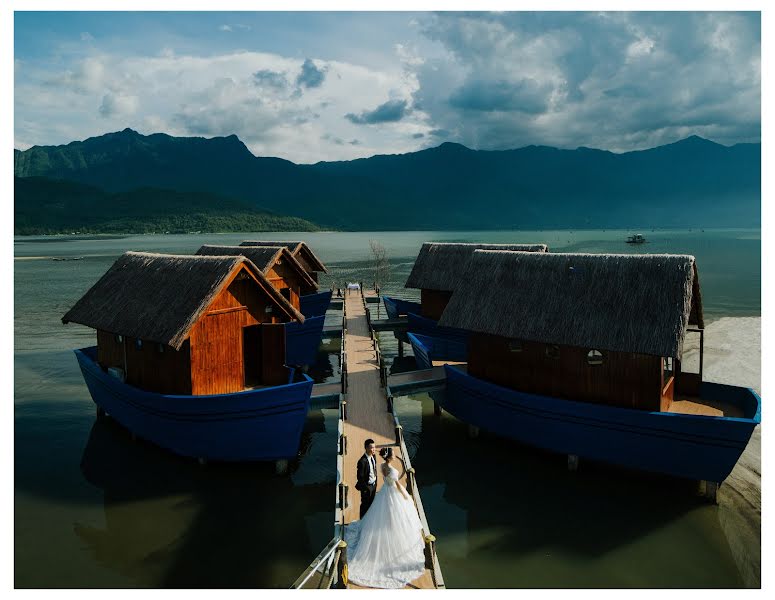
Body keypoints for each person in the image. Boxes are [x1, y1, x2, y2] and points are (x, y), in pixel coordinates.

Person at [344, 447, 426, 588]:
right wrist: (405, 495)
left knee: (383, 518)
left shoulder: (382, 465)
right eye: (393, 454)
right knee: (396, 517)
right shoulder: (392, 470)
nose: (395, 455)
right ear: (389, 457)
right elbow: (397, 485)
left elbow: (388, 479)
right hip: (393, 493)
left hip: (385, 493)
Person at [355, 439, 378, 518]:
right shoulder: (362, 461)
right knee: (365, 505)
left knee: (372, 504)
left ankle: (370, 519)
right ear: (366, 448)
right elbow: (360, 477)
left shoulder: (373, 456)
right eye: (372, 448)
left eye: (374, 447)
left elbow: (374, 469)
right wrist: (365, 489)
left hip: (374, 485)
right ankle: (362, 521)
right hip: (367, 487)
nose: (374, 449)